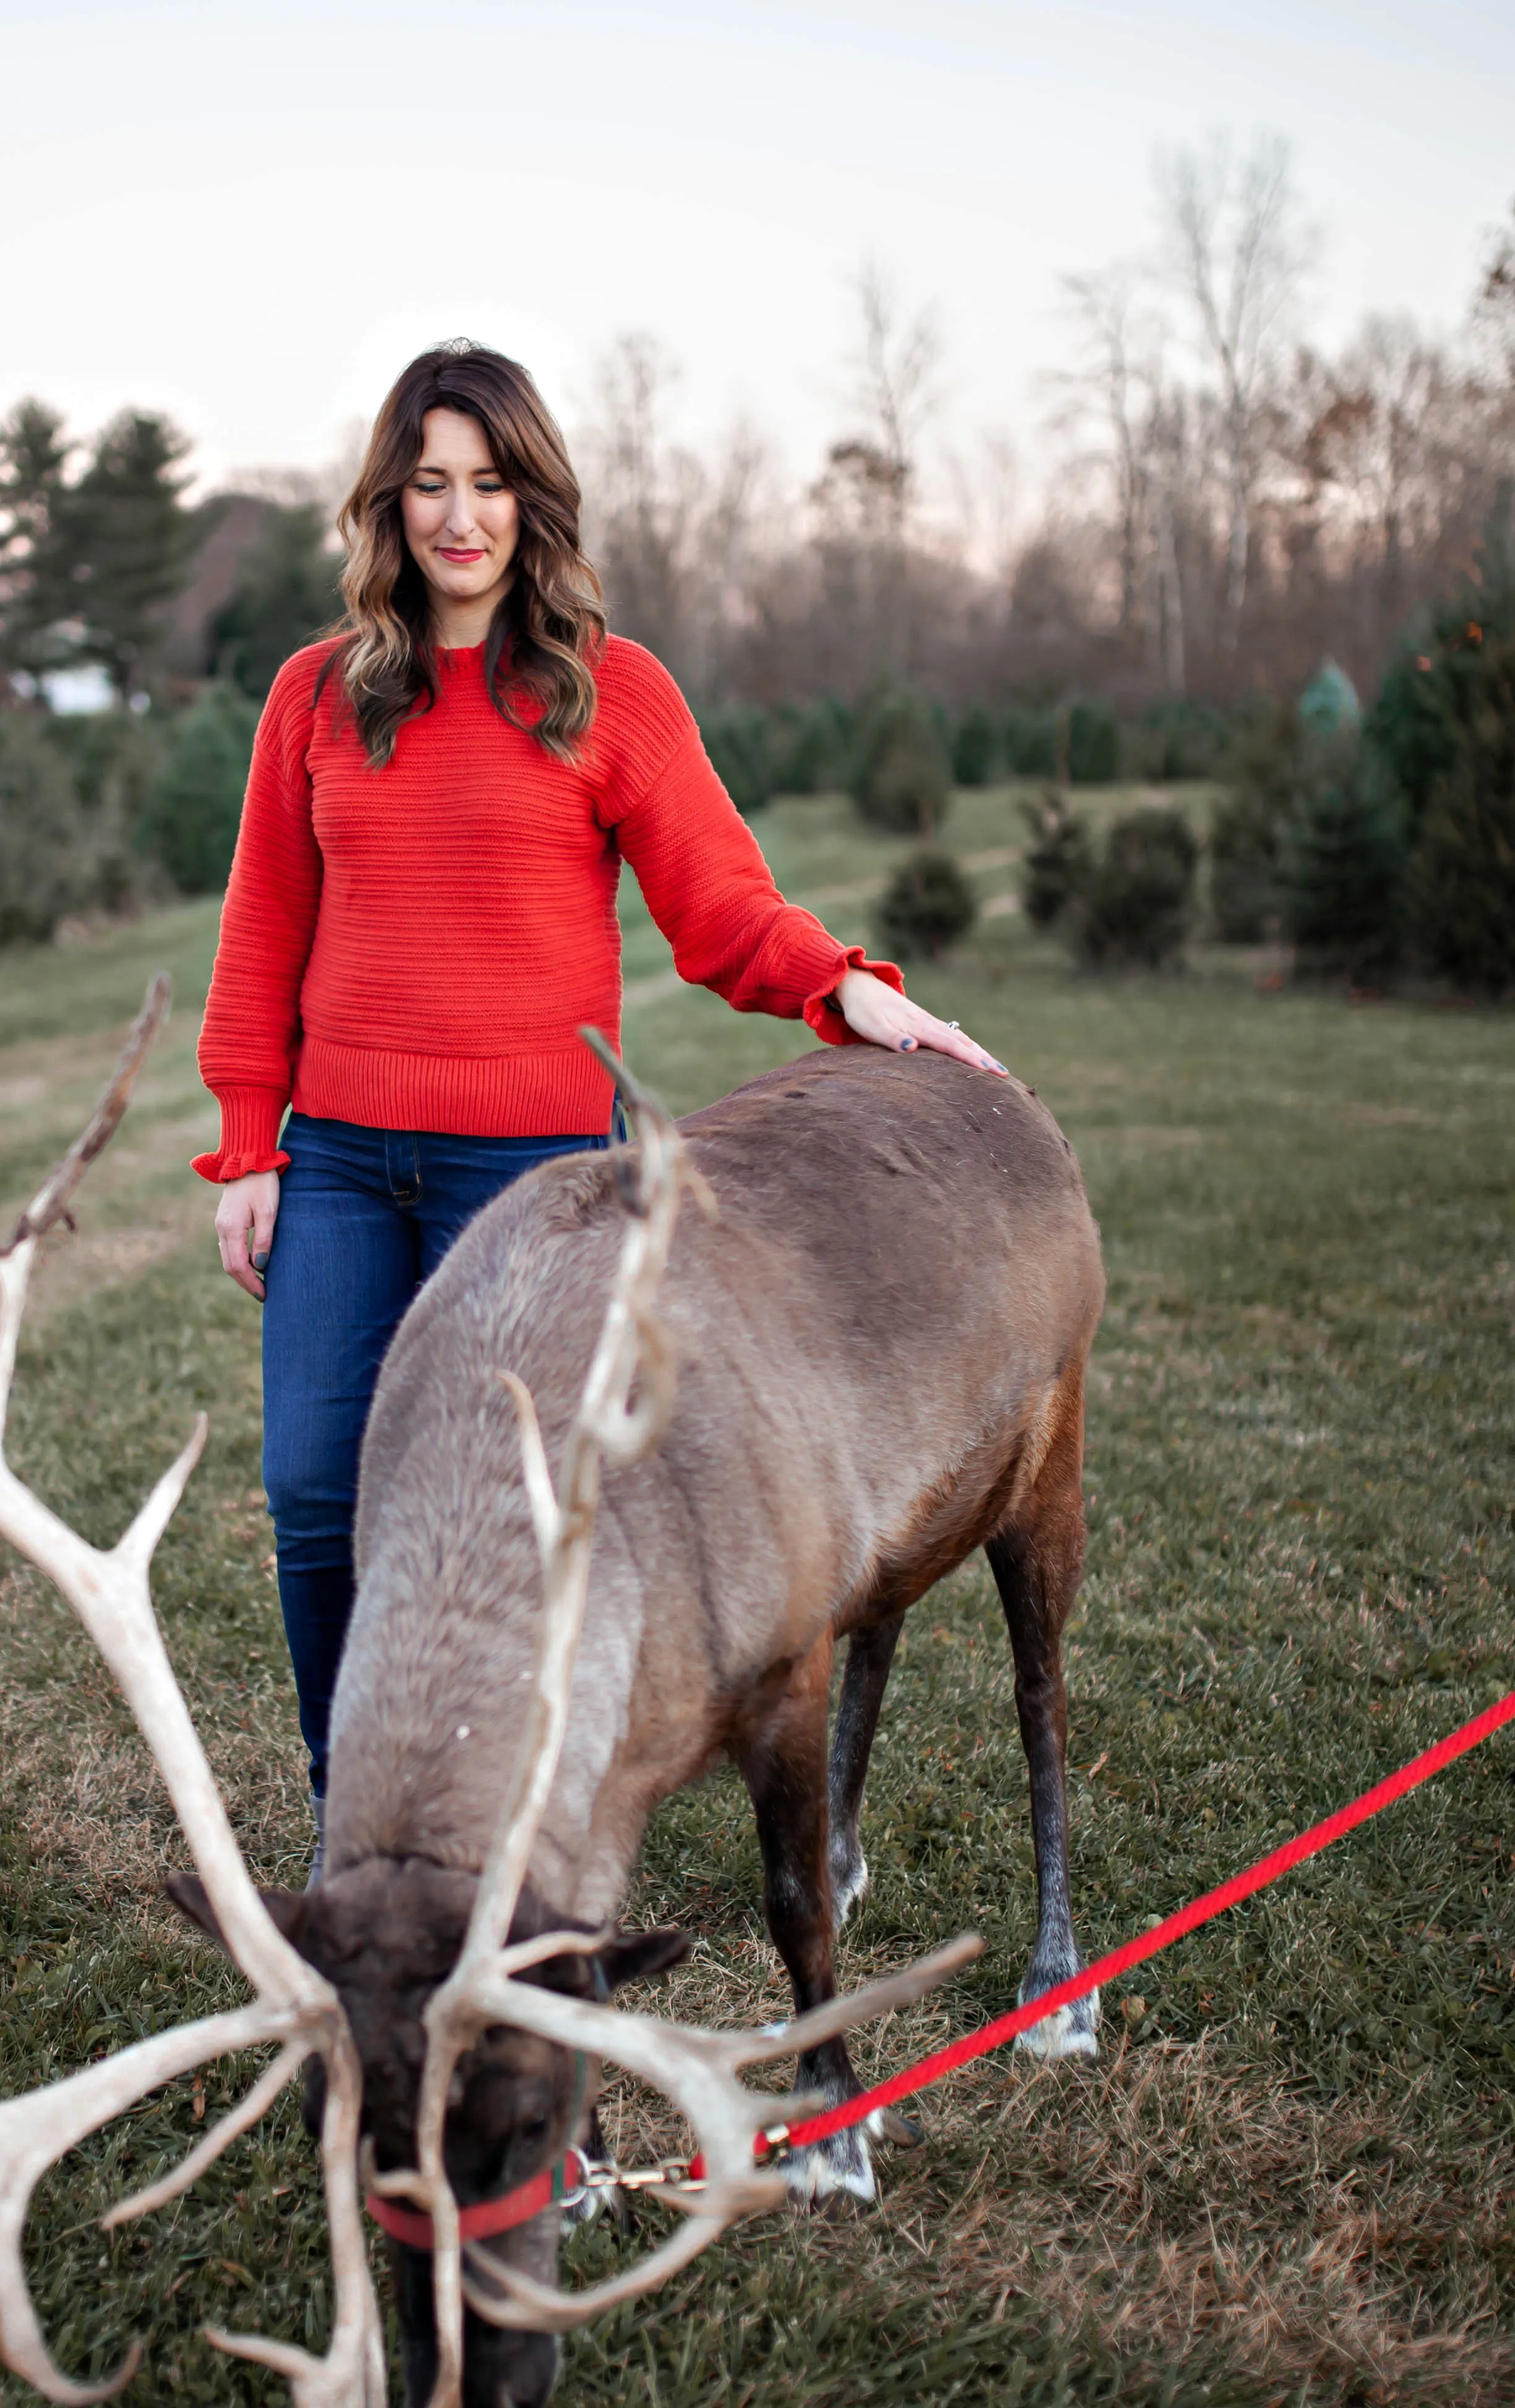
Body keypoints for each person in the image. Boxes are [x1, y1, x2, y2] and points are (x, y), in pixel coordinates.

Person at [194, 340, 1001, 1841]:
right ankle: (352, 1813)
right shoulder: (316, 697)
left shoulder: (603, 694)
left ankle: (511, 1814)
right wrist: (251, 1143)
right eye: (428, 483)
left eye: (489, 483)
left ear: (532, 500)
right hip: (348, 1168)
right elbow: (262, 933)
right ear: (387, 504)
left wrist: (851, 990)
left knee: (513, 1521)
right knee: (317, 1492)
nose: (459, 516)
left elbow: (722, 907)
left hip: (535, 1189)